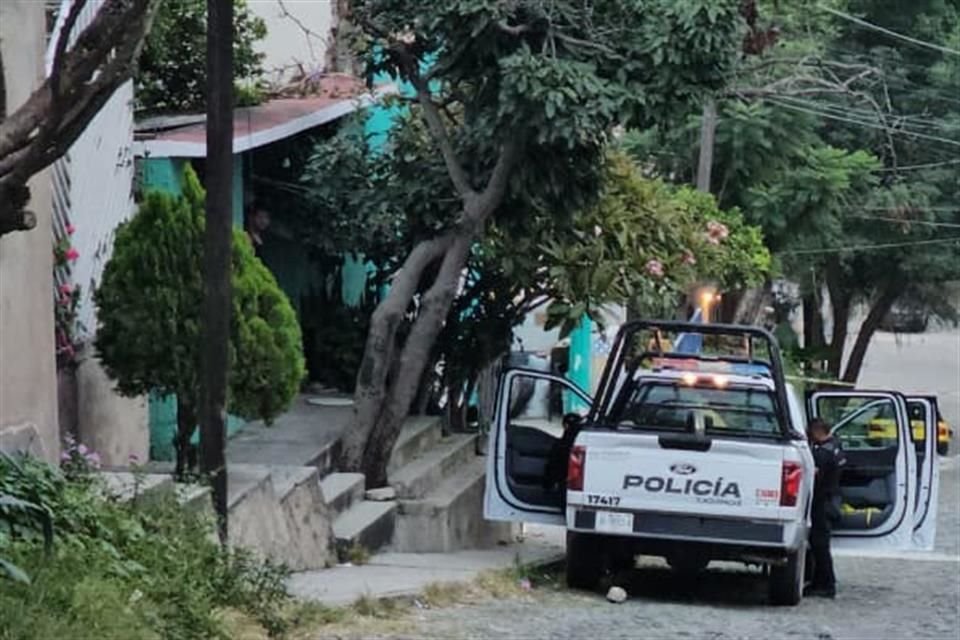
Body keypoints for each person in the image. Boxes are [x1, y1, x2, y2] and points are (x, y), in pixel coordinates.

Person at [805, 417, 846, 598]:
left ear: (816, 432)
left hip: (822, 501)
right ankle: (820, 582)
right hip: (832, 498)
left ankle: (825, 584)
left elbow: (814, 477)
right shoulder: (836, 447)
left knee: (819, 545)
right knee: (821, 544)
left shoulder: (822, 454)